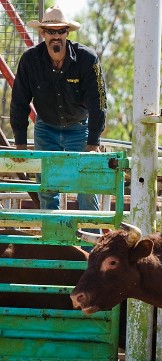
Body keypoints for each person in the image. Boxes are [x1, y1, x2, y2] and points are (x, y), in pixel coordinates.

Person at [10, 6, 107, 211]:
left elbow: (98, 102)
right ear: (42, 33)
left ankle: (92, 243)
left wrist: (93, 143)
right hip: (46, 128)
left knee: (87, 189)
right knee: (47, 189)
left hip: (80, 128)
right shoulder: (29, 60)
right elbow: (19, 101)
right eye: (51, 31)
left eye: (60, 31)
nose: (56, 36)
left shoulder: (87, 59)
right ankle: (54, 242)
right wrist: (20, 143)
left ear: (67, 33)